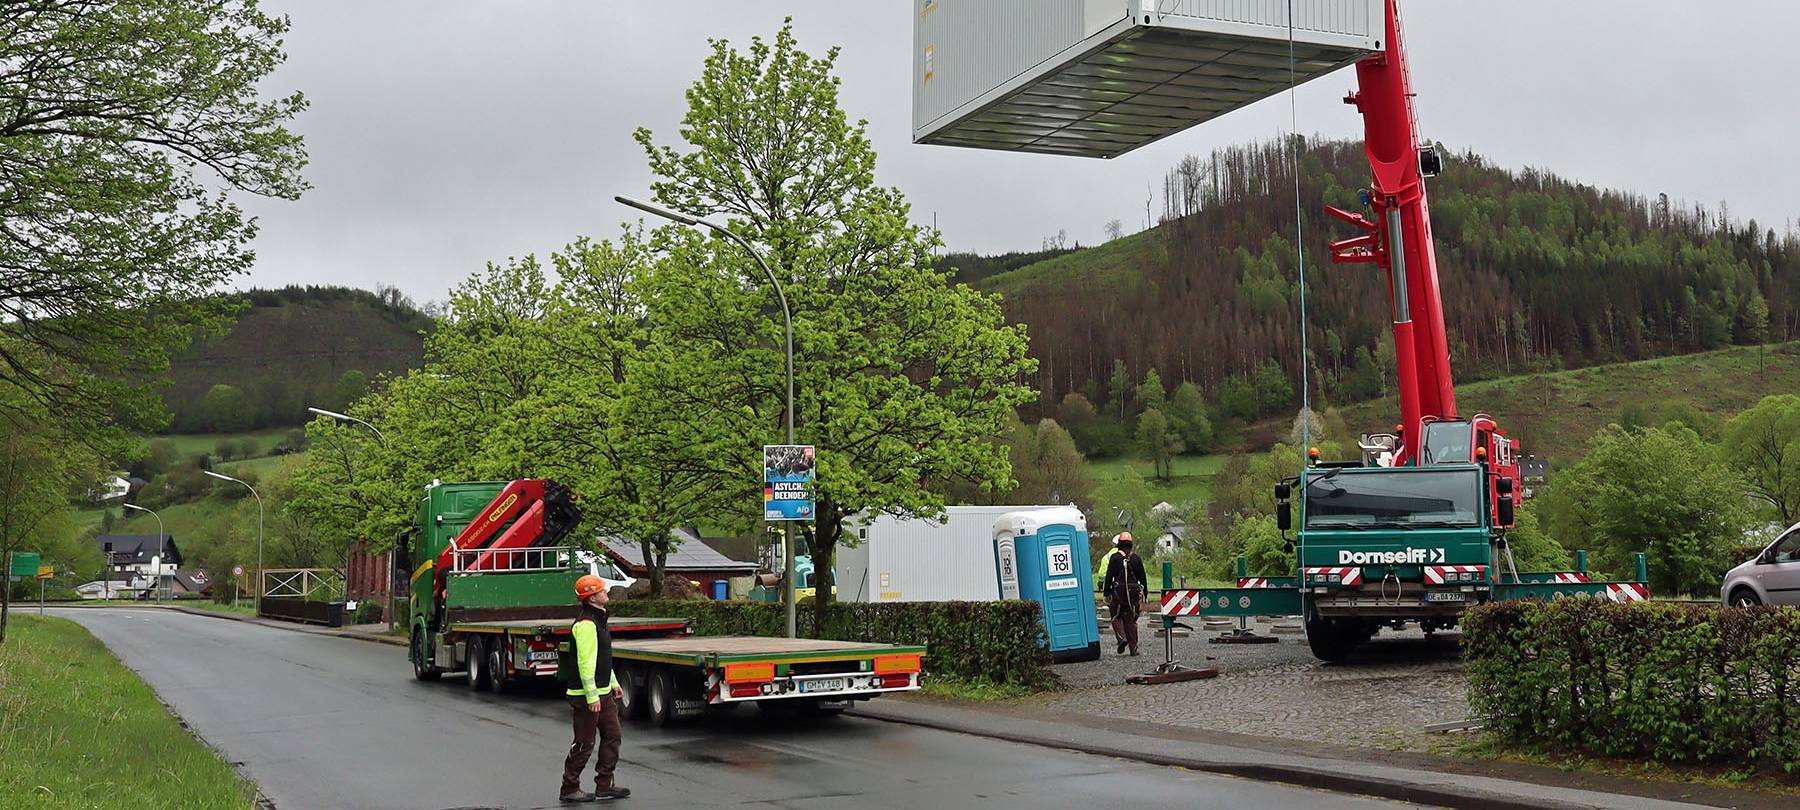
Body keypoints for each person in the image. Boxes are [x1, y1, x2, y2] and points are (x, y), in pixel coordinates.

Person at [560, 575, 629, 804]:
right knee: (584, 742)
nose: (606, 591)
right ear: (592, 597)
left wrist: (613, 684)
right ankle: (569, 787)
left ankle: (604, 784)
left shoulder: (599, 619)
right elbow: (586, 662)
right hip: (586, 695)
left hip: (602, 691)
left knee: (613, 734)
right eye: (601, 589)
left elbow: (602, 659)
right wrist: (592, 695)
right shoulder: (586, 625)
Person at [1102, 532, 1148, 656]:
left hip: (1118, 594)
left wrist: (1106, 592)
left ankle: (1122, 638)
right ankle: (1134, 649)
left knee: (1116, 616)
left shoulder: (1115, 558)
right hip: (1133, 594)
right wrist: (1145, 595)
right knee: (1131, 619)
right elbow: (1142, 578)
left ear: (1119, 544)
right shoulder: (1136, 558)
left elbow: (1109, 577)